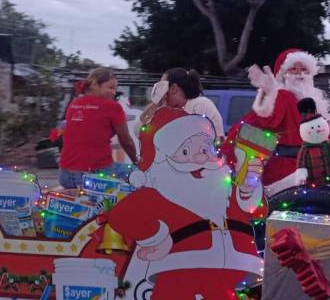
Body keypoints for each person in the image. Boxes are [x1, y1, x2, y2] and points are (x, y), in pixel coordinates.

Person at [109, 108, 263, 299]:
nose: (200, 158)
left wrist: (248, 187)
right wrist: (157, 237)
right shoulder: (159, 193)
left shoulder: (223, 189)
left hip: (230, 265)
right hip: (178, 264)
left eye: (205, 149)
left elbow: (257, 211)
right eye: (185, 151)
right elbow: (120, 215)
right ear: (163, 160)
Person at [220, 48, 330, 196]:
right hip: (286, 168)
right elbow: (270, 116)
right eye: (293, 69)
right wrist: (270, 91)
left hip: (308, 163)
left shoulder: (313, 102)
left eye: (304, 70)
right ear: (283, 75)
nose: (300, 74)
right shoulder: (284, 96)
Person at [58, 67, 138, 188]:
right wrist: (136, 162)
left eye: (115, 89)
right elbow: (126, 142)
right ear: (95, 83)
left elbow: (87, 134)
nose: (113, 92)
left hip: (65, 175)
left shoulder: (74, 104)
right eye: (110, 87)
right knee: (137, 173)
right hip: (95, 175)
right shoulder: (112, 107)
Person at [140, 68, 225, 140]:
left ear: (173, 88)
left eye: (162, 87)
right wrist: (156, 102)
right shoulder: (170, 110)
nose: (161, 92)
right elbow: (141, 127)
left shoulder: (200, 105)